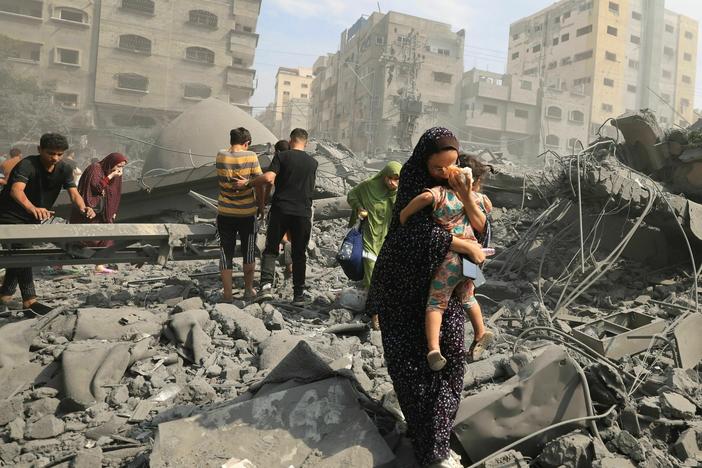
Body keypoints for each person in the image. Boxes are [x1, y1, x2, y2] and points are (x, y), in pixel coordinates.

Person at [366, 127, 486, 467]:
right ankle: (433, 451)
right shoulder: (413, 183)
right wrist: (457, 243)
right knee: (414, 372)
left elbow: (482, 228)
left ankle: (435, 433)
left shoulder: (463, 186)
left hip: (445, 292)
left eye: (451, 165)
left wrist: (465, 196)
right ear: (424, 163)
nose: (446, 173)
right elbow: (406, 231)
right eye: (438, 169)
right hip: (405, 295)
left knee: (452, 364)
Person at [399, 161, 492, 370]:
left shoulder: (441, 193)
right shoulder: (477, 198)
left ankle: (433, 348)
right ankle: (480, 331)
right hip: (472, 257)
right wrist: (469, 190)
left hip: (450, 258)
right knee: (468, 296)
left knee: (436, 303)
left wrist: (404, 214)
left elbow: (425, 197)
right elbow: (488, 206)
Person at [0, 133, 96, 315]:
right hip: (9, 214)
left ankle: (4, 296)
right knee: (23, 252)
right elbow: (16, 190)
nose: (55, 158)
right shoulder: (28, 164)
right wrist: (32, 208)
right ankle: (29, 300)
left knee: (18, 253)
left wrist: (85, 208)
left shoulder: (64, 169)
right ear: (39, 150)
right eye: (50, 153)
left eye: (59, 154)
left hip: (33, 216)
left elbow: (74, 194)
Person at [253, 128, 318, 305]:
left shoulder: (282, 157)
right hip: (302, 213)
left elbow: (268, 179)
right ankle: (298, 295)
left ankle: (266, 287)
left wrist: (249, 183)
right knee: (299, 253)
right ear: (307, 142)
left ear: (290, 141)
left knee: (271, 249)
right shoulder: (313, 163)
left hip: (281, 210)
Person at [346, 161, 402, 330]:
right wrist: (359, 208)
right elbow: (351, 195)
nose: (393, 182)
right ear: (383, 176)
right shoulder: (368, 186)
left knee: (386, 275)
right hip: (370, 238)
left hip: (387, 239)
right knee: (372, 276)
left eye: (397, 179)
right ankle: (375, 315)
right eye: (390, 178)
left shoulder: (398, 193)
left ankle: (385, 308)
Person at [216, 127, 265, 302]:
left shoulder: (221, 155)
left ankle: (227, 294)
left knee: (225, 252)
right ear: (246, 143)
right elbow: (259, 183)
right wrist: (261, 206)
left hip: (225, 213)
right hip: (247, 213)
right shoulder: (251, 156)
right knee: (249, 251)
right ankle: (248, 290)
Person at [69, 153, 128, 274]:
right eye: (118, 165)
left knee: (107, 236)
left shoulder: (117, 173)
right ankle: (60, 263)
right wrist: (111, 175)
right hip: (88, 209)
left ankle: (99, 265)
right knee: (82, 238)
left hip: (103, 212)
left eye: (122, 167)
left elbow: (115, 193)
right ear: (111, 162)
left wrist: (113, 211)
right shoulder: (95, 168)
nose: (119, 169)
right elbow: (95, 187)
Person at [461, 153, 496, 361]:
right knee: (470, 288)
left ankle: (480, 332)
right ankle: (480, 332)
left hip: (466, 254)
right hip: (477, 254)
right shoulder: (483, 199)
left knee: (467, 295)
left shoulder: (462, 197)